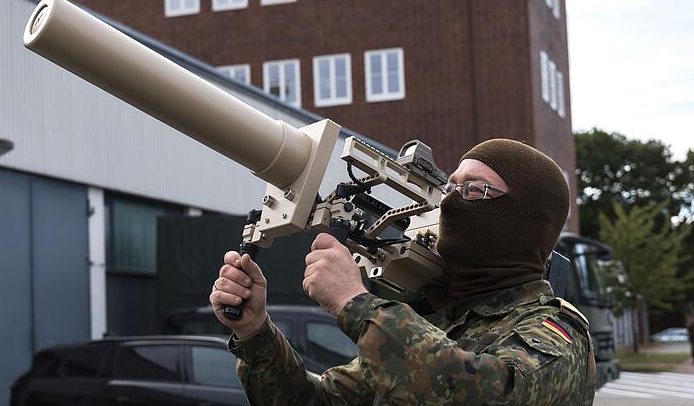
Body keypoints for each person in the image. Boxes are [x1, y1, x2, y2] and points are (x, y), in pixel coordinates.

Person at [210, 139, 596, 405]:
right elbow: (318, 401)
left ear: (525, 222)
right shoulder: (440, 323)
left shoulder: (554, 332)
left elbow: (486, 396)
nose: (451, 202)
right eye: (451, 187)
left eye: (474, 190)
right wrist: (255, 331)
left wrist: (354, 302)